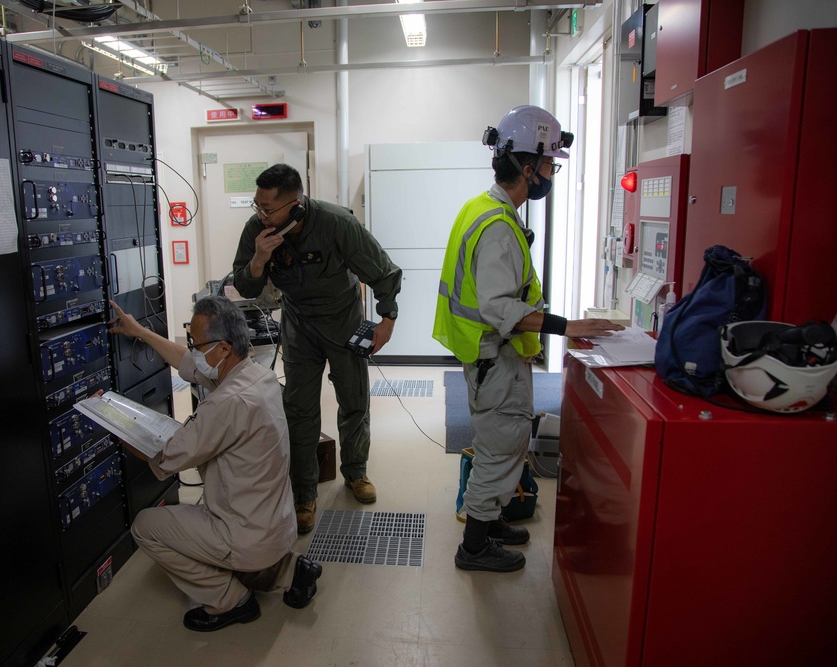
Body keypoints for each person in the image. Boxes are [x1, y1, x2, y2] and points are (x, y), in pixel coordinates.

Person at [432, 105, 624, 573]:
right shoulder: (498, 226)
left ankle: (492, 522)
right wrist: (567, 327)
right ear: (525, 165)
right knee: (499, 450)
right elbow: (501, 308)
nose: (549, 175)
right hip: (494, 358)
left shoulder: (484, 206)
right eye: (548, 165)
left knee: (505, 444)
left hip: (488, 356)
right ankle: (474, 546)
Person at [107, 296, 323, 632]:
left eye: (196, 343)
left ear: (222, 348)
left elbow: (165, 457)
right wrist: (140, 332)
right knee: (244, 532)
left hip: (245, 533)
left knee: (146, 526)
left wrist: (112, 422)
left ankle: (230, 601)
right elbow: (186, 363)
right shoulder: (255, 378)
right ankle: (294, 570)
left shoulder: (225, 403)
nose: (191, 349)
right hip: (278, 525)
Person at [231, 163, 403, 534]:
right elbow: (244, 286)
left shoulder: (335, 222)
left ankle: (356, 473)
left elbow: (383, 271)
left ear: (295, 205)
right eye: (257, 206)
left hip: (343, 319)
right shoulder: (256, 230)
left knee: (354, 400)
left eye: (268, 208)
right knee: (299, 409)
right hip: (298, 326)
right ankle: (304, 493)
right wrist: (259, 258)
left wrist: (387, 319)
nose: (260, 215)